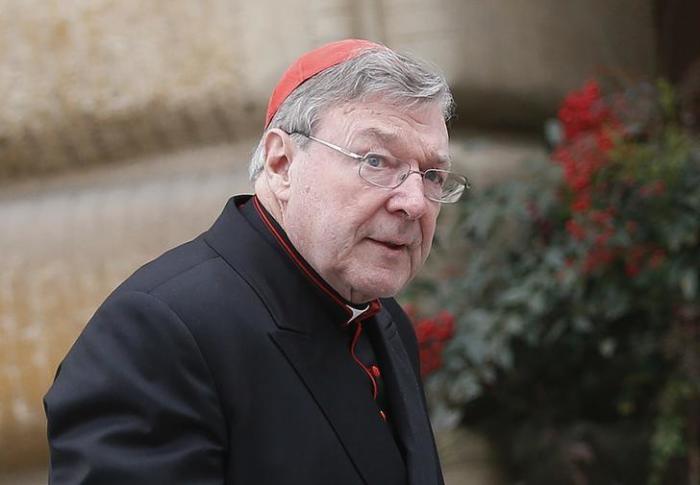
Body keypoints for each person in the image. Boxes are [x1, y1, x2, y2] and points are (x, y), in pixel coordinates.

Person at [44, 38, 469, 485]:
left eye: (432, 175)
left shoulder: (385, 320)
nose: (414, 203)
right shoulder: (157, 332)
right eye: (376, 161)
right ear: (282, 163)